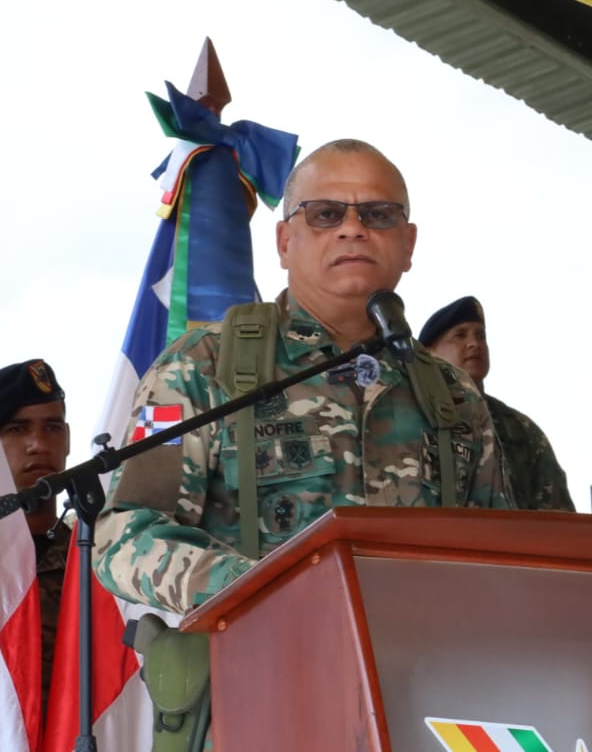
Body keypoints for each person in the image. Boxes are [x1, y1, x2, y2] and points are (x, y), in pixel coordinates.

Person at [93, 138, 509, 617]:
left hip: (425, 675)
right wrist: (265, 588)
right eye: (326, 214)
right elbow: (126, 534)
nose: (353, 229)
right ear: (285, 242)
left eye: (377, 215)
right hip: (266, 669)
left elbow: (501, 554)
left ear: (408, 243)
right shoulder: (200, 365)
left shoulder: (453, 395)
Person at [420, 296, 574, 512]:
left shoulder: (520, 428)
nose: (474, 344)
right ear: (428, 352)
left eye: (480, 336)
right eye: (460, 335)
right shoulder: (415, 414)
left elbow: (557, 516)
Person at [0, 358, 71, 712]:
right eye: (18, 429)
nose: (38, 444)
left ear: (67, 439)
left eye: (52, 427)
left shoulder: (96, 558)